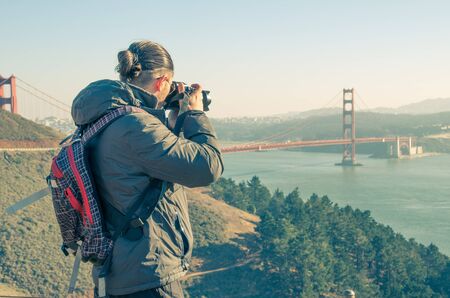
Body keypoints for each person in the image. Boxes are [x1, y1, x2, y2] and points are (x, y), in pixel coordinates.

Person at [70, 40, 224, 297]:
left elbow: (145, 167)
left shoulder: (102, 118)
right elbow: (207, 167)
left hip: (116, 274)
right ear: (163, 82)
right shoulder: (135, 126)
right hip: (146, 278)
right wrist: (195, 114)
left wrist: (173, 120)